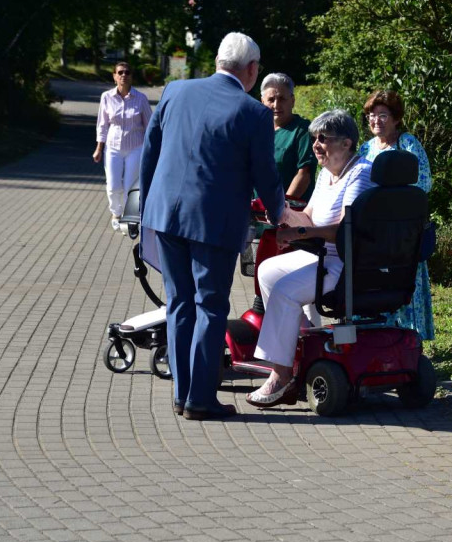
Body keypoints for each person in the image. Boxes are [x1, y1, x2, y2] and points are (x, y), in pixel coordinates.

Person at [139, 32, 287, 421]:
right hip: (213, 223)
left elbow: (150, 151)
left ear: (220, 60)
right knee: (210, 305)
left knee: (179, 303)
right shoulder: (254, 112)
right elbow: (265, 174)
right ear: (252, 70)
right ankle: (200, 399)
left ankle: (181, 392)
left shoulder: (175, 90)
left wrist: (145, 210)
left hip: (166, 216)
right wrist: (278, 212)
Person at [246, 110, 375, 408]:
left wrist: (298, 232)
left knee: (284, 290)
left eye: (324, 139)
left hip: (344, 264)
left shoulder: (360, 172)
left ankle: (281, 376)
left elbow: (345, 231)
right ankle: (301, 340)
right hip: (320, 257)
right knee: (267, 270)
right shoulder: (327, 173)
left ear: (346, 143)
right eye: (314, 138)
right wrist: (280, 212)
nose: (316, 144)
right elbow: (308, 217)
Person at [357, 90, 435, 340]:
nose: (375, 120)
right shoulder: (364, 148)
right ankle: (374, 336)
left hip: (402, 229)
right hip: (372, 230)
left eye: (382, 115)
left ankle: (409, 339)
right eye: (371, 115)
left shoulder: (408, 143)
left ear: (396, 118)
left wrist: (390, 203)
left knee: (403, 281)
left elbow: (423, 182)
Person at [94, 62, 152, 230]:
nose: (123, 75)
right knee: (113, 185)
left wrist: (152, 149)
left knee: (129, 185)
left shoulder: (141, 98)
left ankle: (129, 217)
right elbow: (102, 125)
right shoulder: (106, 97)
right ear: (114, 76)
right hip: (112, 148)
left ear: (131, 76)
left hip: (136, 147)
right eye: (120, 72)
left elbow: (150, 125)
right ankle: (115, 212)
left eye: (127, 72)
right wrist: (99, 148)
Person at [260, 73, 317, 203]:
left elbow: (304, 175)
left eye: (282, 99)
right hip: (257, 212)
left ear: (292, 100)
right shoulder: (257, 130)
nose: (276, 105)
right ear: (262, 101)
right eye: (271, 99)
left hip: (289, 214)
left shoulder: (303, 130)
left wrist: (283, 208)